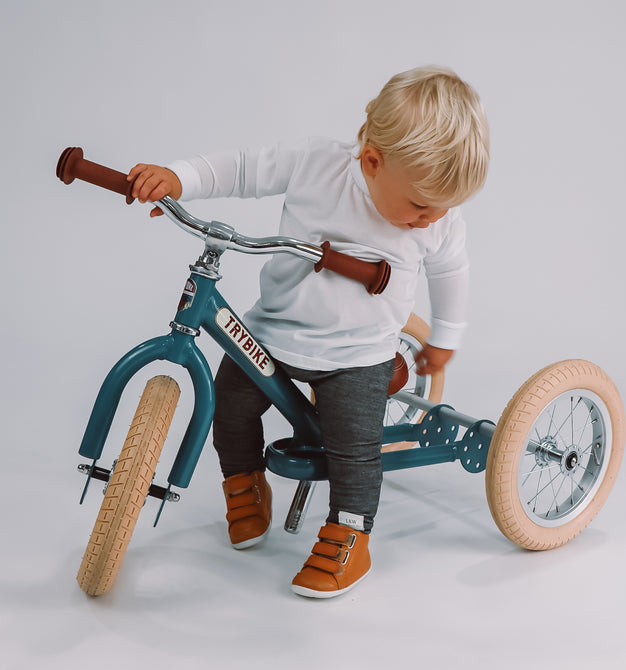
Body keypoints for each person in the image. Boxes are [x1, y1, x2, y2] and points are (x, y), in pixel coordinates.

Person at [127, 65, 490, 598]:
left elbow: (450, 272)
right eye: (420, 206)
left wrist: (444, 338)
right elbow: (245, 169)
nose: (432, 220)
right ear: (372, 162)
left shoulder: (437, 220)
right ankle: (245, 483)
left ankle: (350, 529)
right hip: (273, 332)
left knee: (352, 446)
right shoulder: (318, 165)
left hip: (357, 355)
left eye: (445, 209)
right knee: (229, 405)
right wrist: (181, 177)